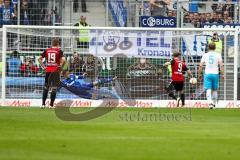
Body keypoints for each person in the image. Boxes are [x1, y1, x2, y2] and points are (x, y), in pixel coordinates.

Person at [38, 38, 65, 108]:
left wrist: (44, 67)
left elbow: (39, 59)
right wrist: (60, 66)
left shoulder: (47, 50)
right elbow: (64, 60)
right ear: (58, 44)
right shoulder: (59, 51)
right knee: (54, 88)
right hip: (55, 71)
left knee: (46, 87)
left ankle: (43, 104)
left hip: (48, 71)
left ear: (52, 43)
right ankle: (51, 105)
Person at [198, 43, 224, 109]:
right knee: (215, 89)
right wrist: (223, 74)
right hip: (215, 74)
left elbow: (200, 65)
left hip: (207, 74)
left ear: (208, 48)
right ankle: (214, 104)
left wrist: (199, 74)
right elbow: (221, 65)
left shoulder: (205, 55)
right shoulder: (218, 55)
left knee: (208, 89)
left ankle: (210, 103)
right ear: (215, 48)